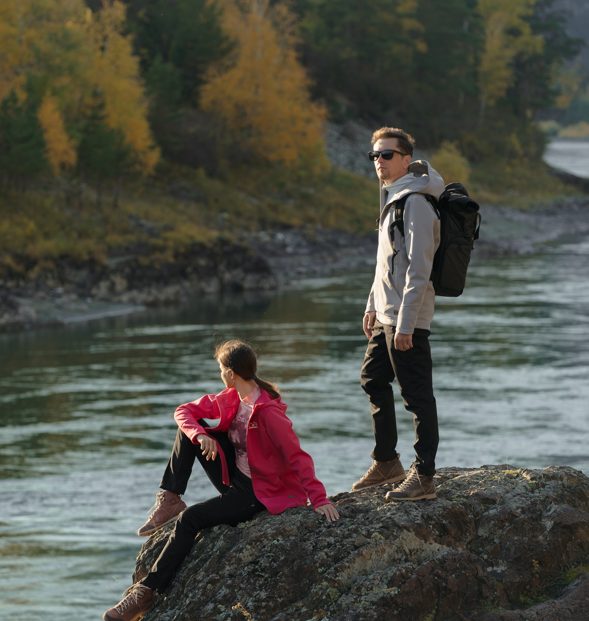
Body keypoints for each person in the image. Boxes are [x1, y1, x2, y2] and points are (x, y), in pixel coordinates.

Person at [104, 340, 339, 621]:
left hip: (256, 493)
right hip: (235, 476)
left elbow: (297, 456)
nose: (219, 374)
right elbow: (183, 411)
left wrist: (319, 499)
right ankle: (171, 499)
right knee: (191, 429)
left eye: (220, 369)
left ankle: (146, 593)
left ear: (230, 373)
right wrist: (201, 435)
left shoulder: (268, 413)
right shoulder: (232, 398)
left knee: (189, 520)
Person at [352, 127, 443, 502]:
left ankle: (423, 476)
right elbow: (385, 264)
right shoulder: (392, 197)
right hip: (386, 315)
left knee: (417, 397)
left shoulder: (417, 202)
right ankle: (387, 461)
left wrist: (405, 325)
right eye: (374, 156)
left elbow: (418, 269)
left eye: (386, 155)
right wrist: (372, 304)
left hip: (407, 319)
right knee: (372, 379)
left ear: (407, 158)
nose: (379, 162)